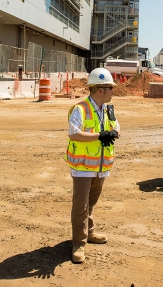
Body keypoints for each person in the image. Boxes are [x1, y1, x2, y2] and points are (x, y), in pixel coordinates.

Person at [65, 68, 120, 264]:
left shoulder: (108, 110)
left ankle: (88, 232)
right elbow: (74, 134)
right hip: (82, 166)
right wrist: (100, 135)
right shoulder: (80, 109)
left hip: (100, 166)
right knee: (81, 205)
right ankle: (78, 243)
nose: (113, 92)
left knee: (91, 203)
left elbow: (116, 129)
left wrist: (112, 132)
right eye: (110, 88)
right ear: (100, 90)